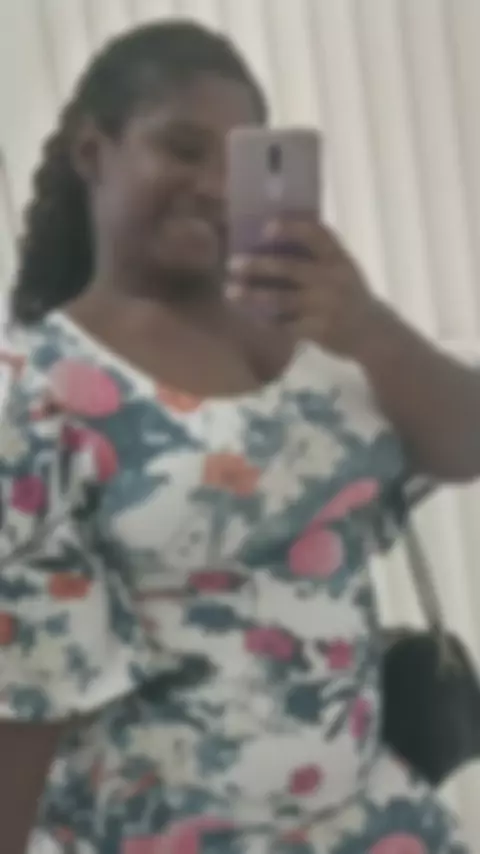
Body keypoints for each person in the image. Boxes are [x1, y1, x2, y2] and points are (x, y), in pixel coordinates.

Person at [1, 20, 478, 854]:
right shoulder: (35, 389)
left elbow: (466, 445)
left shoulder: (318, 341)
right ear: (93, 152)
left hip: (372, 819)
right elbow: (26, 690)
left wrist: (369, 325)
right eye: (182, 149)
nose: (216, 187)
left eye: (241, 160)